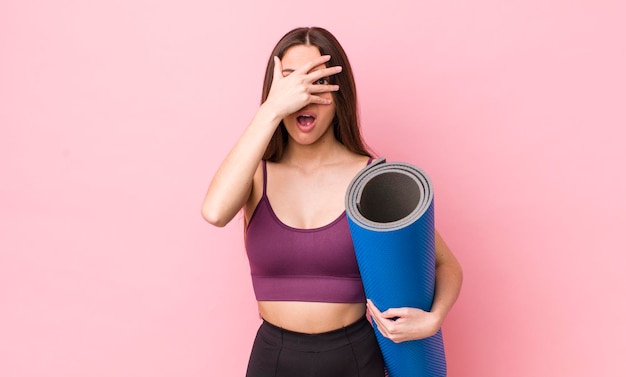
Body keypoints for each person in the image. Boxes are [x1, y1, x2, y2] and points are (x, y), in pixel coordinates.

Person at [202, 26, 463, 377]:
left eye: (316, 82)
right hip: (272, 359)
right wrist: (270, 110)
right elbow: (215, 212)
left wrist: (432, 320)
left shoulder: (369, 179)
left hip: (353, 359)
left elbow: (447, 265)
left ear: (339, 95)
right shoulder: (254, 176)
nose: (302, 96)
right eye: (292, 83)